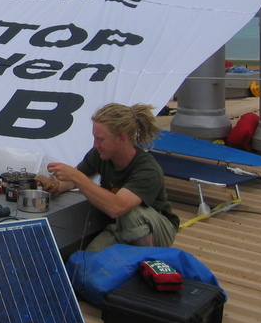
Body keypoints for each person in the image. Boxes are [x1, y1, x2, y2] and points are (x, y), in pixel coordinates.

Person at [46, 103, 179, 251]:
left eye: (100, 139)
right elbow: (70, 182)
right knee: (88, 259)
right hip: (119, 225)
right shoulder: (100, 155)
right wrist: (52, 185)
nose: (95, 144)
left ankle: (149, 260)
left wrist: (76, 177)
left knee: (131, 213)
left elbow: (117, 207)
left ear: (121, 139)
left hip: (157, 228)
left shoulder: (147, 169)